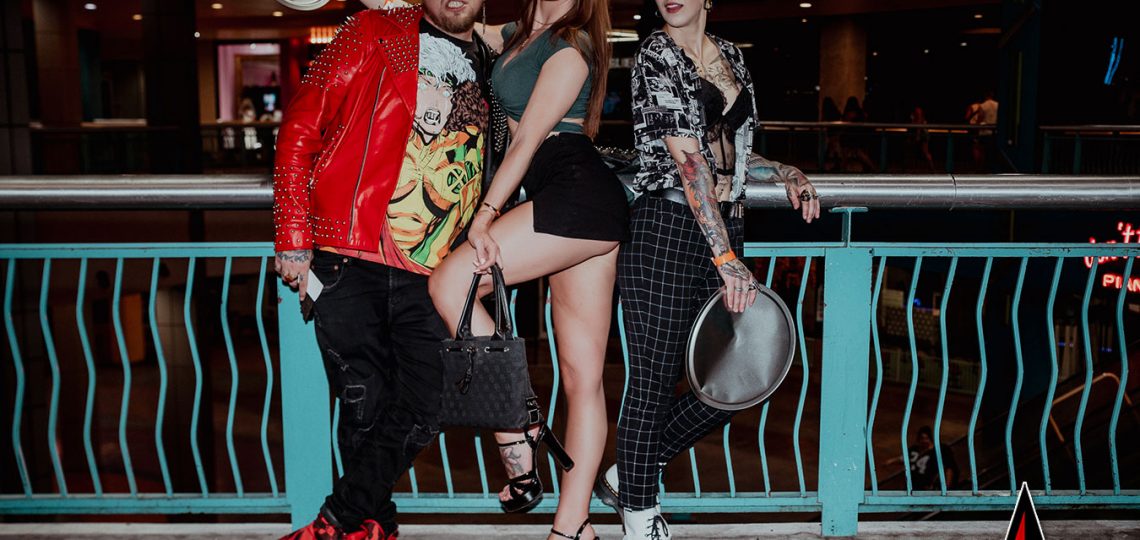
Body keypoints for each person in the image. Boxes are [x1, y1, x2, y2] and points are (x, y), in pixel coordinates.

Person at [592, 1, 821, 538]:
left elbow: (734, 155)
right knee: (653, 380)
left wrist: (784, 171)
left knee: (734, 379)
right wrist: (726, 259)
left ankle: (629, 473)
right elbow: (689, 160)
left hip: (726, 230)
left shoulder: (732, 57)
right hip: (667, 229)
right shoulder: (655, 53)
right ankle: (641, 514)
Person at [273, 1, 498, 538]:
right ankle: (372, 528)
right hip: (350, 254)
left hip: (437, 270)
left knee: (430, 400)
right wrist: (293, 237)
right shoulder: (374, 30)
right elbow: (301, 127)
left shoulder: (496, 61)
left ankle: (339, 520)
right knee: (362, 407)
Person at [428, 0, 624, 539]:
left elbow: (526, 141)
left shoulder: (572, 47)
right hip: (571, 204)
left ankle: (519, 422)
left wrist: (486, 216)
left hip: (575, 195)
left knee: (450, 283)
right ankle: (573, 527)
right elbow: (453, 18)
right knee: (582, 378)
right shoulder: (517, 33)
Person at [909, 426, 960, 490]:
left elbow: (949, 468)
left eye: (926, 438)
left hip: (932, 488)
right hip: (917, 487)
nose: (924, 441)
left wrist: (946, 489)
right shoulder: (915, 450)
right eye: (922, 439)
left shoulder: (941, 449)